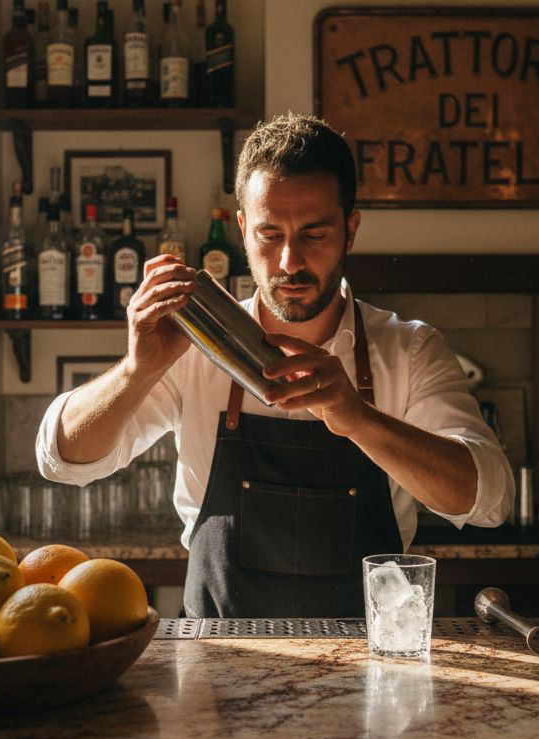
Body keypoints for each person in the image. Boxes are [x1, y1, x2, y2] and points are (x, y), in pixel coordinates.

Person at [37, 113, 514, 618]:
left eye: (314, 234)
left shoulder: (410, 350)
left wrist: (358, 419)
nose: (290, 262)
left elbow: (489, 501)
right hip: (216, 654)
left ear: (350, 230)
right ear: (243, 230)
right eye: (269, 235)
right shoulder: (191, 348)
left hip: (365, 656)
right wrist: (137, 370)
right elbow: (62, 459)